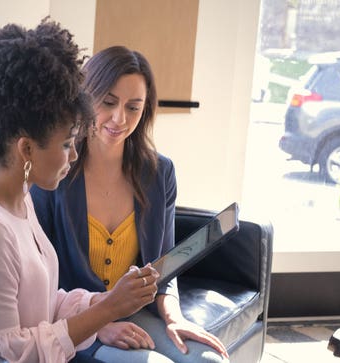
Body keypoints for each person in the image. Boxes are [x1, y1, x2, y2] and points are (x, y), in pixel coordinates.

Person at [0, 21, 160, 363]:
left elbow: (42, 305)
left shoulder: (18, 200)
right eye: (67, 143)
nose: (73, 155)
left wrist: (103, 301)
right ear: (26, 149)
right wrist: (109, 309)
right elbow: (8, 357)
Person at [30, 46, 230, 363]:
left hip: (137, 315)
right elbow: (38, 280)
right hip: (75, 323)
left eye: (133, 107)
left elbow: (163, 267)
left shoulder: (159, 173)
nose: (119, 118)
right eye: (108, 102)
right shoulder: (55, 170)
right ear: (84, 97)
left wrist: (174, 317)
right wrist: (99, 324)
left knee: (210, 361)